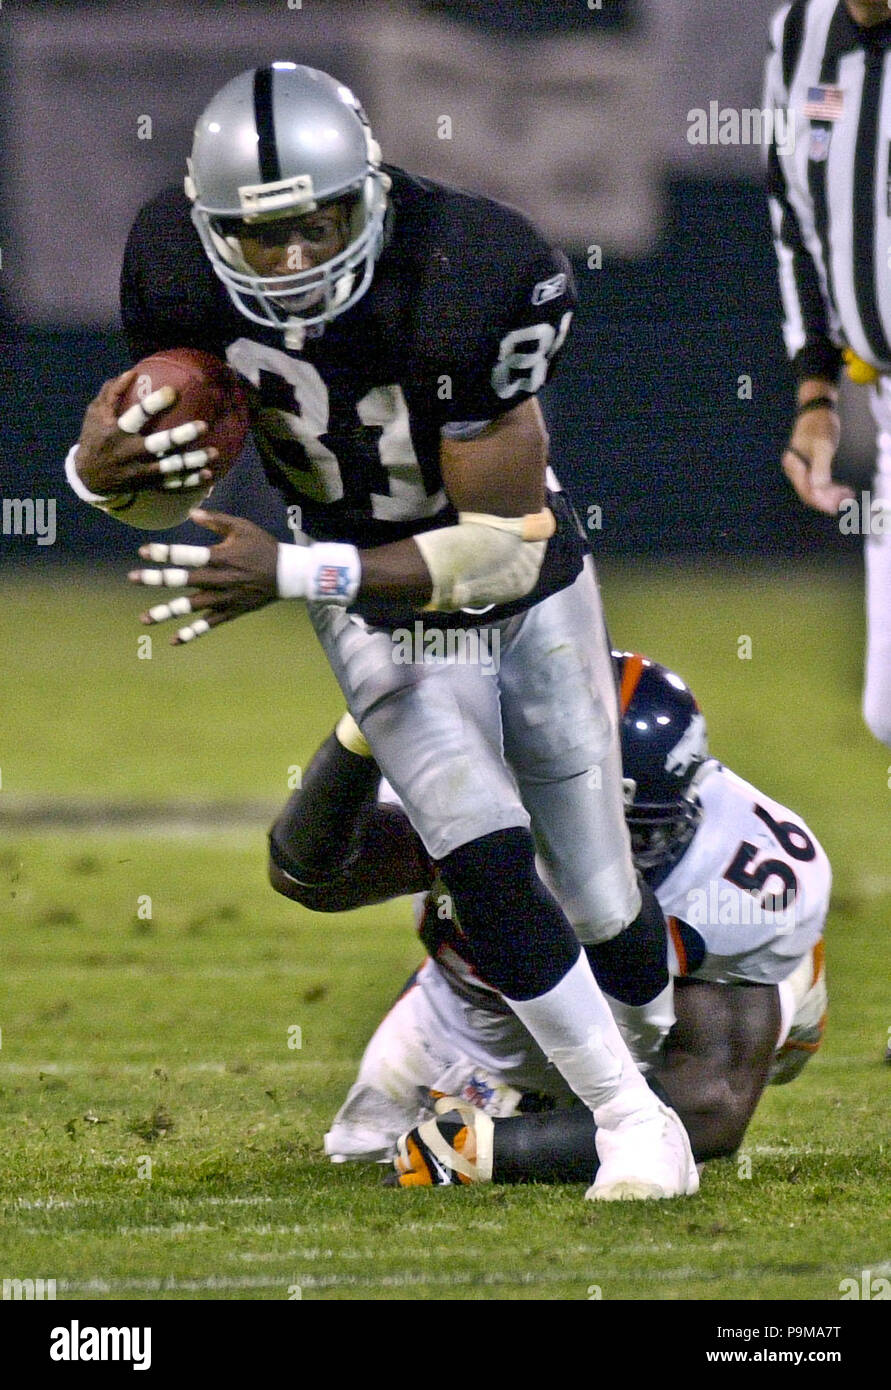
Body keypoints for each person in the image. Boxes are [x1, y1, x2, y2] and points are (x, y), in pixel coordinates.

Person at [64, 63, 696, 1200]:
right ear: (211, 234)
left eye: (321, 223)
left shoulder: (474, 270)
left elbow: (504, 541)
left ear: (370, 194)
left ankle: (657, 1062)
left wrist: (296, 569)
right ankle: (633, 1121)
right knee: (475, 837)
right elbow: (159, 463)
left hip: (520, 586)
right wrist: (95, 471)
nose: (299, 258)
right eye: (265, 238)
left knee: (600, 892)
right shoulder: (168, 259)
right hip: (368, 597)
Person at [266, 653, 829, 1185]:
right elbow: (307, 876)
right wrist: (362, 730)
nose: (586, 846)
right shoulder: (462, 783)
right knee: (363, 1150)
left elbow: (709, 1106)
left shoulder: (735, 875)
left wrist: (496, 1151)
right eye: (562, 816)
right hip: (482, 1005)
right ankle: (521, 1090)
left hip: (667, 1015)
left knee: (642, 1129)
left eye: (622, 828)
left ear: (680, 809)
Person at [766, 0, 891, 745]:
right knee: (887, 708)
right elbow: (796, 221)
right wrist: (815, 392)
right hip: (882, 397)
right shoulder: (796, 31)